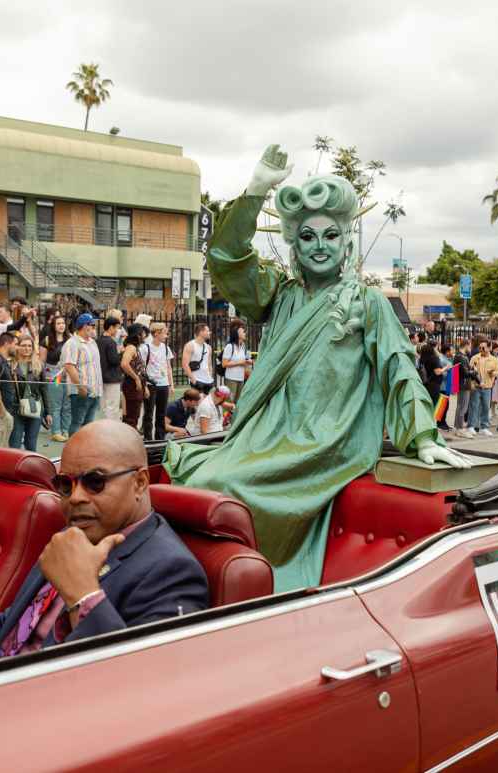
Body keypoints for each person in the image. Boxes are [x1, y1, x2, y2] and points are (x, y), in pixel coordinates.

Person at [164, 147, 466, 591]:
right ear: (294, 243)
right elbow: (227, 258)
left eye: (330, 236)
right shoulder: (278, 293)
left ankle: (241, 581)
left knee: (214, 479)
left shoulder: (369, 302)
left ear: (346, 241)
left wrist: (422, 436)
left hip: (327, 441)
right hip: (262, 436)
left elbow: (398, 366)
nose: (319, 246)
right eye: (307, 236)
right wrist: (255, 191)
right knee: (197, 474)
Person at [0, 422, 210, 664]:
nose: (75, 498)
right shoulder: (70, 540)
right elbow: (8, 631)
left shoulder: (170, 571)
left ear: (139, 482)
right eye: (65, 484)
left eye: (95, 482)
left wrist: (83, 595)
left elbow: (141, 689)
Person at [61, 313, 103, 436]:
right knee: (77, 423)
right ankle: (73, 453)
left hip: (94, 391)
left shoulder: (92, 342)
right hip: (81, 392)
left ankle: (84, 453)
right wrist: (80, 386)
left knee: (89, 426)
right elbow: (69, 366)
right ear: (85, 326)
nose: (95, 328)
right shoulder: (72, 343)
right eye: (93, 325)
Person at [9, 334, 51, 451]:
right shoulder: (11, 365)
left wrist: (48, 412)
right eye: (23, 345)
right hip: (16, 408)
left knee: (31, 444)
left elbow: (44, 389)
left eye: (29, 346)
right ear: (17, 347)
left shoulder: (39, 365)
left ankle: (30, 468)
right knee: (15, 444)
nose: (27, 348)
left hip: (35, 407)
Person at [140, 323, 174, 441]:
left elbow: (169, 367)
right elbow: (141, 369)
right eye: (164, 332)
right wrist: (144, 386)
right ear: (157, 333)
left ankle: (160, 438)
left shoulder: (165, 348)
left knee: (161, 413)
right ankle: (148, 438)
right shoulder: (145, 348)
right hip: (151, 385)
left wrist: (171, 384)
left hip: (163, 384)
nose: (166, 335)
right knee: (148, 413)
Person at [41, 313, 73, 442]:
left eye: (63, 323)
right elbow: (42, 361)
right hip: (54, 376)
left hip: (68, 374)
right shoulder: (47, 340)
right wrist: (44, 376)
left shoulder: (70, 339)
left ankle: (66, 430)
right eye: (58, 323)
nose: (61, 326)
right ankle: (56, 431)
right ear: (53, 326)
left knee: (67, 404)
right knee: (56, 404)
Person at [120, 323, 148, 431]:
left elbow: (140, 370)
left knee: (135, 415)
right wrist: (136, 378)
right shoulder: (131, 347)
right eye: (143, 333)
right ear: (137, 335)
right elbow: (124, 364)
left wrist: (144, 386)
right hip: (131, 386)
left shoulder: (136, 348)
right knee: (131, 418)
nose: (145, 336)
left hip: (137, 386)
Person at [469, 340, 498, 436]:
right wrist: (472, 384)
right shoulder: (475, 358)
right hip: (476, 386)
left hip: (487, 386)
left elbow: (497, 372)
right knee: (474, 406)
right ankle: (471, 426)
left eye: (483, 347)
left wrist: (492, 373)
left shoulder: (494, 359)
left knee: (486, 407)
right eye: (480, 347)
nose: (481, 349)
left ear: (489, 348)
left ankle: (484, 427)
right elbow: (470, 371)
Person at [97, 316, 124, 421]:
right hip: (112, 378)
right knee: (112, 407)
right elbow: (114, 360)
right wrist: (121, 352)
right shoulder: (111, 342)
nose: (117, 330)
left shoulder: (98, 340)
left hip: (101, 377)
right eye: (116, 328)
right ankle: (111, 429)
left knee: (104, 406)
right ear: (111, 327)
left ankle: (104, 428)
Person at [221, 323, 252, 403]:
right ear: (237, 334)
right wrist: (240, 362)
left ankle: (235, 416)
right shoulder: (229, 347)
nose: (245, 333)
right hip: (231, 378)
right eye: (243, 332)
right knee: (229, 402)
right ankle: (228, 416)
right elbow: (224, 364)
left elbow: (243, 361)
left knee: (238, 402)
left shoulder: (243, 347)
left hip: (241, 378)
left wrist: (247, 362)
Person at [182, 324, 215, 394]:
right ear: (201, 332)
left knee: (205, 403)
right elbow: (185, 365)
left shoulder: (208, 347)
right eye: (207, 331)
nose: (210, 332)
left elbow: (209, 364)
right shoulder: (190, 345)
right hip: (197, 380)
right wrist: (193, 380)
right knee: (197, 403)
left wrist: (211, 377)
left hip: (208, 381)